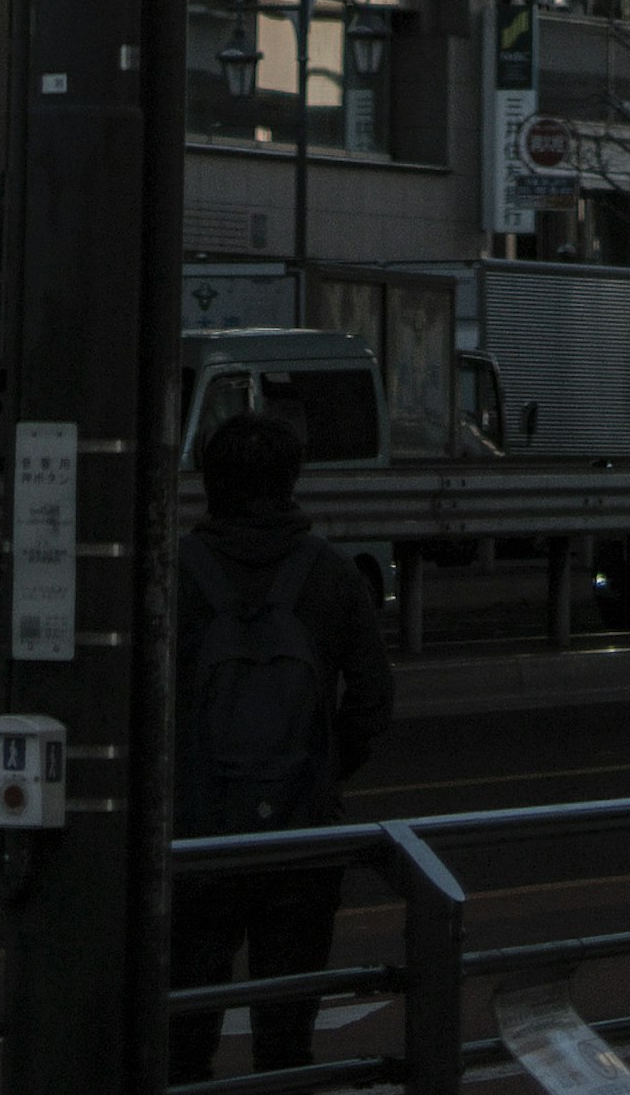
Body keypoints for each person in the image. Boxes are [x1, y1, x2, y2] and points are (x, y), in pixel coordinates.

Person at [170, 403, 393, 1081]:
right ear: (293, 480)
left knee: (182, 1032)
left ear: (209, 481)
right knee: (287, 1036)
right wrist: (323, 767)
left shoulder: (174, 572)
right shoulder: (330, 573)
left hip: (196, 833)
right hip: (301, 834)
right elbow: (374, 697)